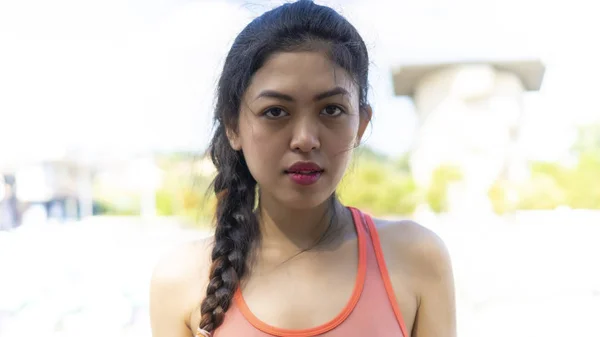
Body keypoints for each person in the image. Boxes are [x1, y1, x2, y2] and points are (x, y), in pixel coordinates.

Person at [150, 1, 456, 336]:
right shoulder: (180, 281)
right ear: (233, 126)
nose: (305, 140)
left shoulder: (416, 258)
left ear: (361, 125)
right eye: (276, 112)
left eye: (332, 110)